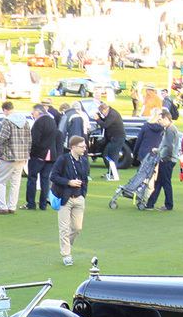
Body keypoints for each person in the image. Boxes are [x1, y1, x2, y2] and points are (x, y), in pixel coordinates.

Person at [52, 135, 90, 266]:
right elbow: (54, 176)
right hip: (65, 198)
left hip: (79, 198)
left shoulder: (84, 161)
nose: (84, 149)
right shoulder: (63, 160)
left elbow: (85, 178)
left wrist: (83, 194)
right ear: (73, 147)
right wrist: (69, 182)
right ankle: (66, 255)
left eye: (85, 146)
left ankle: (68, 246)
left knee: (77, 227)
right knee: (64, 228)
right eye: (82, 147)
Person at [0, 102, 29, 214]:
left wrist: (2, 154)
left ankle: (2, 206)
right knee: (15, 182)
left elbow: (2, 139)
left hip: (9, 156)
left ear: (4, 110)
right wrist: (26, 154)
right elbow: (29, 139)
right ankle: (12, 206)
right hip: (22, 156)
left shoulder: (6, 121)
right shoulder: (25, 121)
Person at [144, 109, 180, 211]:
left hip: (167, 160)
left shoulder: (170, 130)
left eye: (160, 120)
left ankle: (168, 205)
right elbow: (167, 145)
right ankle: (150, 203)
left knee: (165, 183)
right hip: (167, 159)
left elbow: (169, 147)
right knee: (159, 182)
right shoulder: (169, 129)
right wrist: (159, 150)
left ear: (165, 118)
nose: (159, 122)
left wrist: (163, 157)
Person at [25, 105, 57, 210]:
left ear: (38, 112)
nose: (33, 116)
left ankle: (31, 203)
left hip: (39, 155)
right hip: (50, 155)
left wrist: (34, 153)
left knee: (32, 179)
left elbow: (35, 140)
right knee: (45, 179)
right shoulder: (52, 121)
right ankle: (43, 204)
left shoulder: (39, 122)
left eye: (33, 113)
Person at [97, 103, 127, 180]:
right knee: (111, 154)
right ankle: (110, 172)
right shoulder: (111, 113)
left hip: (117, 137)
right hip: (114, 137)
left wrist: (98, 119)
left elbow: (105, 125)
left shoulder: (113, 114)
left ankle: (113, 174)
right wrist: (100, 118)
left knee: (114, 155)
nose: (102, 113)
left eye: (101, 112)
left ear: (105, 110)